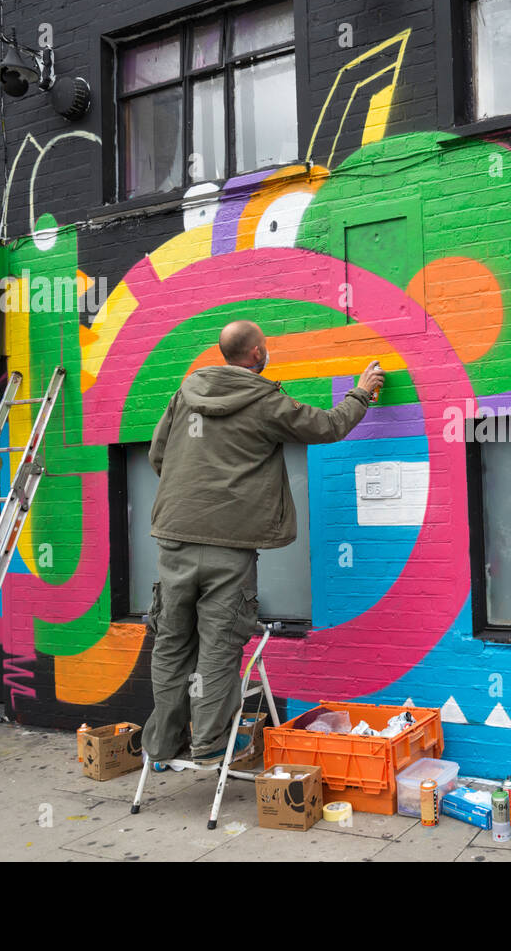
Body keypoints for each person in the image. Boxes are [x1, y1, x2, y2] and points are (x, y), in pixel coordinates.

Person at [142, 319, 384, 767]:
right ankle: (211, 744)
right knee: (219, 643)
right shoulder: (264, 401)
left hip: (173, 538)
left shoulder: (185, 393)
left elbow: (158, 454)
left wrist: (191, 500)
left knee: (172, 640)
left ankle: (160, 745)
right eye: (265, 345)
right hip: (229, 545)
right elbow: (328, 427)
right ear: (256, 354)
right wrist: (362, 391)